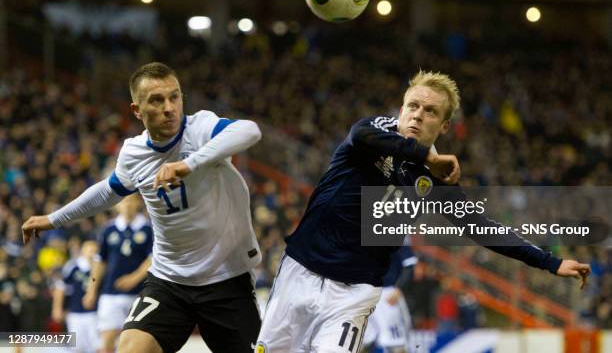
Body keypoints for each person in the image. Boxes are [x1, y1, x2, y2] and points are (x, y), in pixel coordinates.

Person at [256, 70, 591, 353]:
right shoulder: (375, 132)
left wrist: (551, 262)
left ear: (445, 126)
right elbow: (360, 134)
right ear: (401, 109)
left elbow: (481, 226)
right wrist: (427, 157)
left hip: (355, 293)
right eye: (412, 106)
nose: (417, 114)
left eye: (430, 111)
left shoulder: (433, 182)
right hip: (299, 272)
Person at [23, 62, 263, 353]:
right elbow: (107, 192)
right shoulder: (134, 153)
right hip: (169, 280)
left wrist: (189, 164)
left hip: (226, 278)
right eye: (157, 100)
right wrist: (53, 219)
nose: (169, 107)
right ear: (137, 110)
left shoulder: (201, 128)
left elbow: (250, 131)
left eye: (175, 97)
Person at [83, 195, 153, 353]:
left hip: (140, 294)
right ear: (116, 206)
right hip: (110, 294)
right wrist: (91, 290)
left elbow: (153, 259)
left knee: (138, 343)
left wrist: (134, 278)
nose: (127, 205)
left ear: (138, 203)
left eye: (131, 200)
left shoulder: (149, 228)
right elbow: (100, 262)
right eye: (123, 201)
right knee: (107, 341)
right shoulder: (108, 229)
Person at [361, 245, 417, 353]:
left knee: (396, 343)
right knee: (364, 340)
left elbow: (409, 265)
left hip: (388, 294)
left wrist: (399, 289)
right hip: (365, 293)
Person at [52, 240, 100, 353]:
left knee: (97, 346)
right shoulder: (73, 266)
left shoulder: (100, 267)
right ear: (83, 251)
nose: (92, 253)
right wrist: (57, 308)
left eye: (95, 251)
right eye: (90, 250)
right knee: (77, 347)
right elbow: (61, 287)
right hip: (75, 313)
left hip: (95, 313)